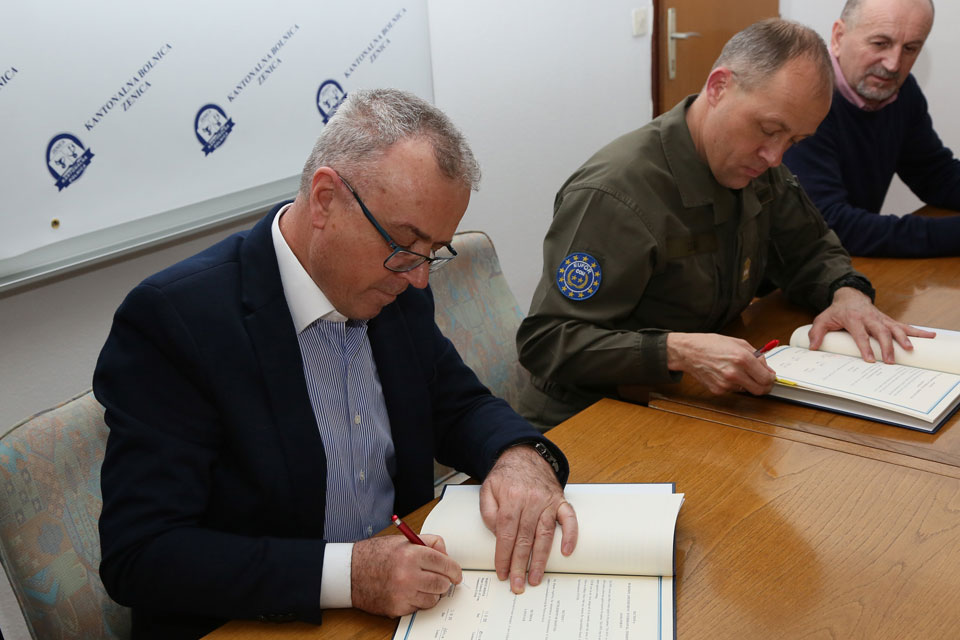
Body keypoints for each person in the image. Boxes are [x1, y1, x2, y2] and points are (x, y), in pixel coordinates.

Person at [94, 89, 578, 640]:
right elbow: (143, 553)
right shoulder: (176, 321)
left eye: (433, 252)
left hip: (404, 606)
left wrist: (517, 456)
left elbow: (455, 402)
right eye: (405, 243)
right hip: (263, 621)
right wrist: (350, 575)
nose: (419, 277)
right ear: (325, 199)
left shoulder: (395, 286)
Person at [516, 19, 933, 430]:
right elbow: (546, 340)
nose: (775, 156)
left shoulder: (754, 166)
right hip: (585, 420)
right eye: (769, 130)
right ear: (718, 88)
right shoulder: (615, 194)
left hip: (689, 404)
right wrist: (677, 351)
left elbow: (811, 248)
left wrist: (847, 294)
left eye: (793, 142)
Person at [784, 0, 960, 257]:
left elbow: (935, 174)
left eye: (910, 48)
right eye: (880, 43)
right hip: (778, 281)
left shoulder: (901, 91)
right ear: (838, 37)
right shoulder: (802, 99)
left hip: (845, 266)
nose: (893, 64)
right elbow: (830, 224)